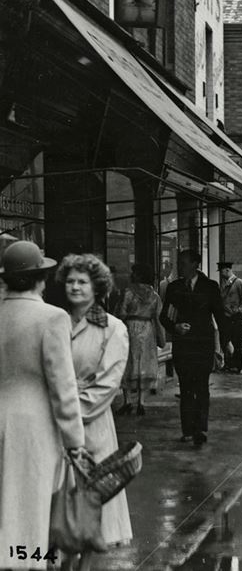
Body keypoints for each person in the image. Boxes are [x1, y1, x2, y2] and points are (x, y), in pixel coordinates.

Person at [0, 241, 89, 569]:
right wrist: (75, 441)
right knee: (31, 509)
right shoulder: (52, 318)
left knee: (4, 508)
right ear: (41, 278)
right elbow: (63, 386)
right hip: (35, 427)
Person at [57, 253, 133, 557]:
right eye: (71, 281)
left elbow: (107, 385)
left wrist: (68, 411)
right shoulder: (55, 321)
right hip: (58, 425)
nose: (75, 287)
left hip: (90, 425)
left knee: (93, 511)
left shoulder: (112, 329)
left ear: (97, 287)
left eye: (82, 282)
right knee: (61, 511)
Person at [159, 249, 225, 447]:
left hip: (203, 345)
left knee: (202, 388)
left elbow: (220, 316)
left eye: (184, 263)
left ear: (195, 264)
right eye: (179, 263)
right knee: (187, 388)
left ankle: (201, 429)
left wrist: (225, 344)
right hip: (183, 346)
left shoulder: (210, 287)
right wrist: (175, 327)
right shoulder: (174, 288)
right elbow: (164, 316)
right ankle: (188, 430)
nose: (180, 267)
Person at [116, 263, 165, 416]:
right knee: (144, 362)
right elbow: (158, 316)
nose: (132, 275)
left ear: (138, 275)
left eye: (134, 272)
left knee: (128, 361)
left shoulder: (129, 292)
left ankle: (127, 401)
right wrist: (160, 335)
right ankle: (141, 402)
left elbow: (121, 312)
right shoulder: (154, 295)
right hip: (147, 329)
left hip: (130, 328)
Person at [218, 260, 242, 374]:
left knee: (237, 342)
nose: (221, 274)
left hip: (235, 318)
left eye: (222, 271)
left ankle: (238, 366)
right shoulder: (223, 283)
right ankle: (228, 364)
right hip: (225, 318)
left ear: (227, 270)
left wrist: (238, 310)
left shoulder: (239, 282)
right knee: (225, 341)